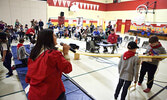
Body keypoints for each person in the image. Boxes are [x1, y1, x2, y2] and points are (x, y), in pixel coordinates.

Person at [25, 29, 72, 100]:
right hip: (51, 93)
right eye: (54, 36)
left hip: (34, 93)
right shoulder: (53, 54)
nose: (56, 37)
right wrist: (66, 54)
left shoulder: (34, 53)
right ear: (49, 38)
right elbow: (68, 69)